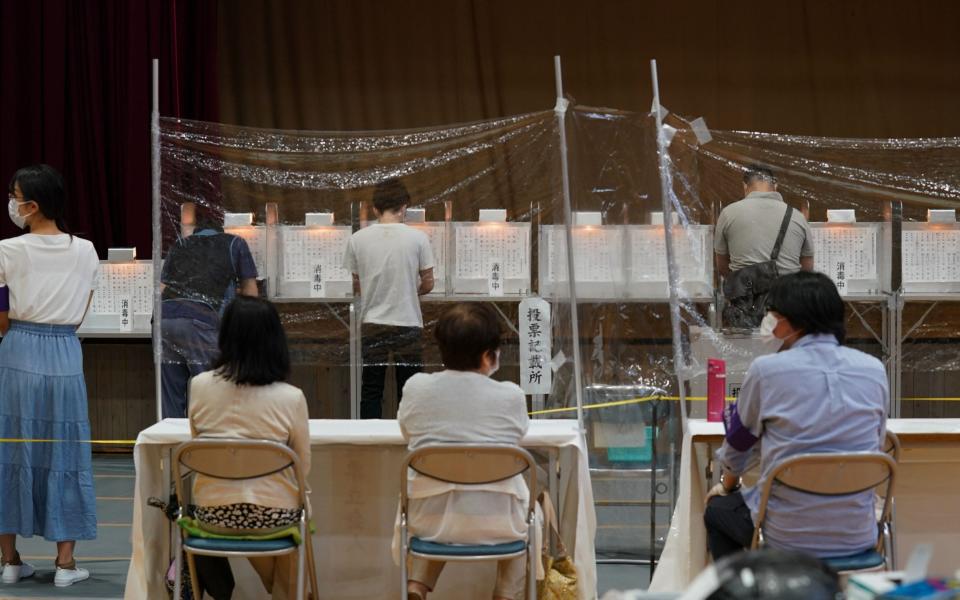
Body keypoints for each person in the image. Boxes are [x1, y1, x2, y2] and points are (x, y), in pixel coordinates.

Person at [703, 271, 887, 560]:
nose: (769, 320)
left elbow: (738, 442)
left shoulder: (766, 370)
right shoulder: (874, 369)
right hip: (859, 533)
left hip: (786, 536)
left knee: (716, 510)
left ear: (790, 320)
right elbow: (875, 444)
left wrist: (729, 485)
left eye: (772, 313)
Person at [0, 164, 99, 587]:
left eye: (15, 194)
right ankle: (65, 564)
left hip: (18, 348)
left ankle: (9, 561)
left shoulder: (6, 249)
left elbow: (1, 314)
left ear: (32, 205)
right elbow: (83, 309)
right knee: (67, 451)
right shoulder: (87, 250)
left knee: (10, 450)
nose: (11, 201)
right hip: (64, 351)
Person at [396, 303, 530, 600]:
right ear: (487, 355)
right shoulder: (511, 395)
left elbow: (407, 432)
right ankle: (505, 595)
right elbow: (519, 435)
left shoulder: (416, 387)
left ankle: (417, 584)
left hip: (429, 523)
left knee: (448, 498)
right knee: (533, 513)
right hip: (501, 524)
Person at [188, 295, 310, 600]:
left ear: (225, 336)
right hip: (273, 515)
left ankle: (292, 592)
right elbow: (302, 470)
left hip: (210, 513)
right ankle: (295, 593)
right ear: (275, 341)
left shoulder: (200, 385)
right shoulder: (291, 397)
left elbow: (198, 450)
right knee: (289, 520)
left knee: (256, 511)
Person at [343, 178, 435, 419]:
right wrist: (407, 290)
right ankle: (411, 442)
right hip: (408, 322)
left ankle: (368, 445)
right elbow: (428, 283)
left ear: (375, 209)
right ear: (404, 207)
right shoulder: (418, 239)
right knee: (411, 389)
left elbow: (357, 284)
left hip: (372, 322)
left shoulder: (358, 239)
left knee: (371, 389)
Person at [160, 206, 258, 418]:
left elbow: (162, 288)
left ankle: (171, 448)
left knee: (170, 397)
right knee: (211, 392)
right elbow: (251, 291)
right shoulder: (235, 243)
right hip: (200, 322)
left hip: (163, 321)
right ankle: (209, 447)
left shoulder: (179, 244)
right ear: (220, 229)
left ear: (196, 231)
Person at [715, 164, 814, 328]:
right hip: (788, 306)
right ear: (776, 186)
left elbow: (722, 266)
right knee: (785, 348)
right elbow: (807, 267)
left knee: (747, 351)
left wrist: (749, 281)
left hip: (744, 306)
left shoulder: (728, 213)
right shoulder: (797, 216)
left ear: (745, 186)